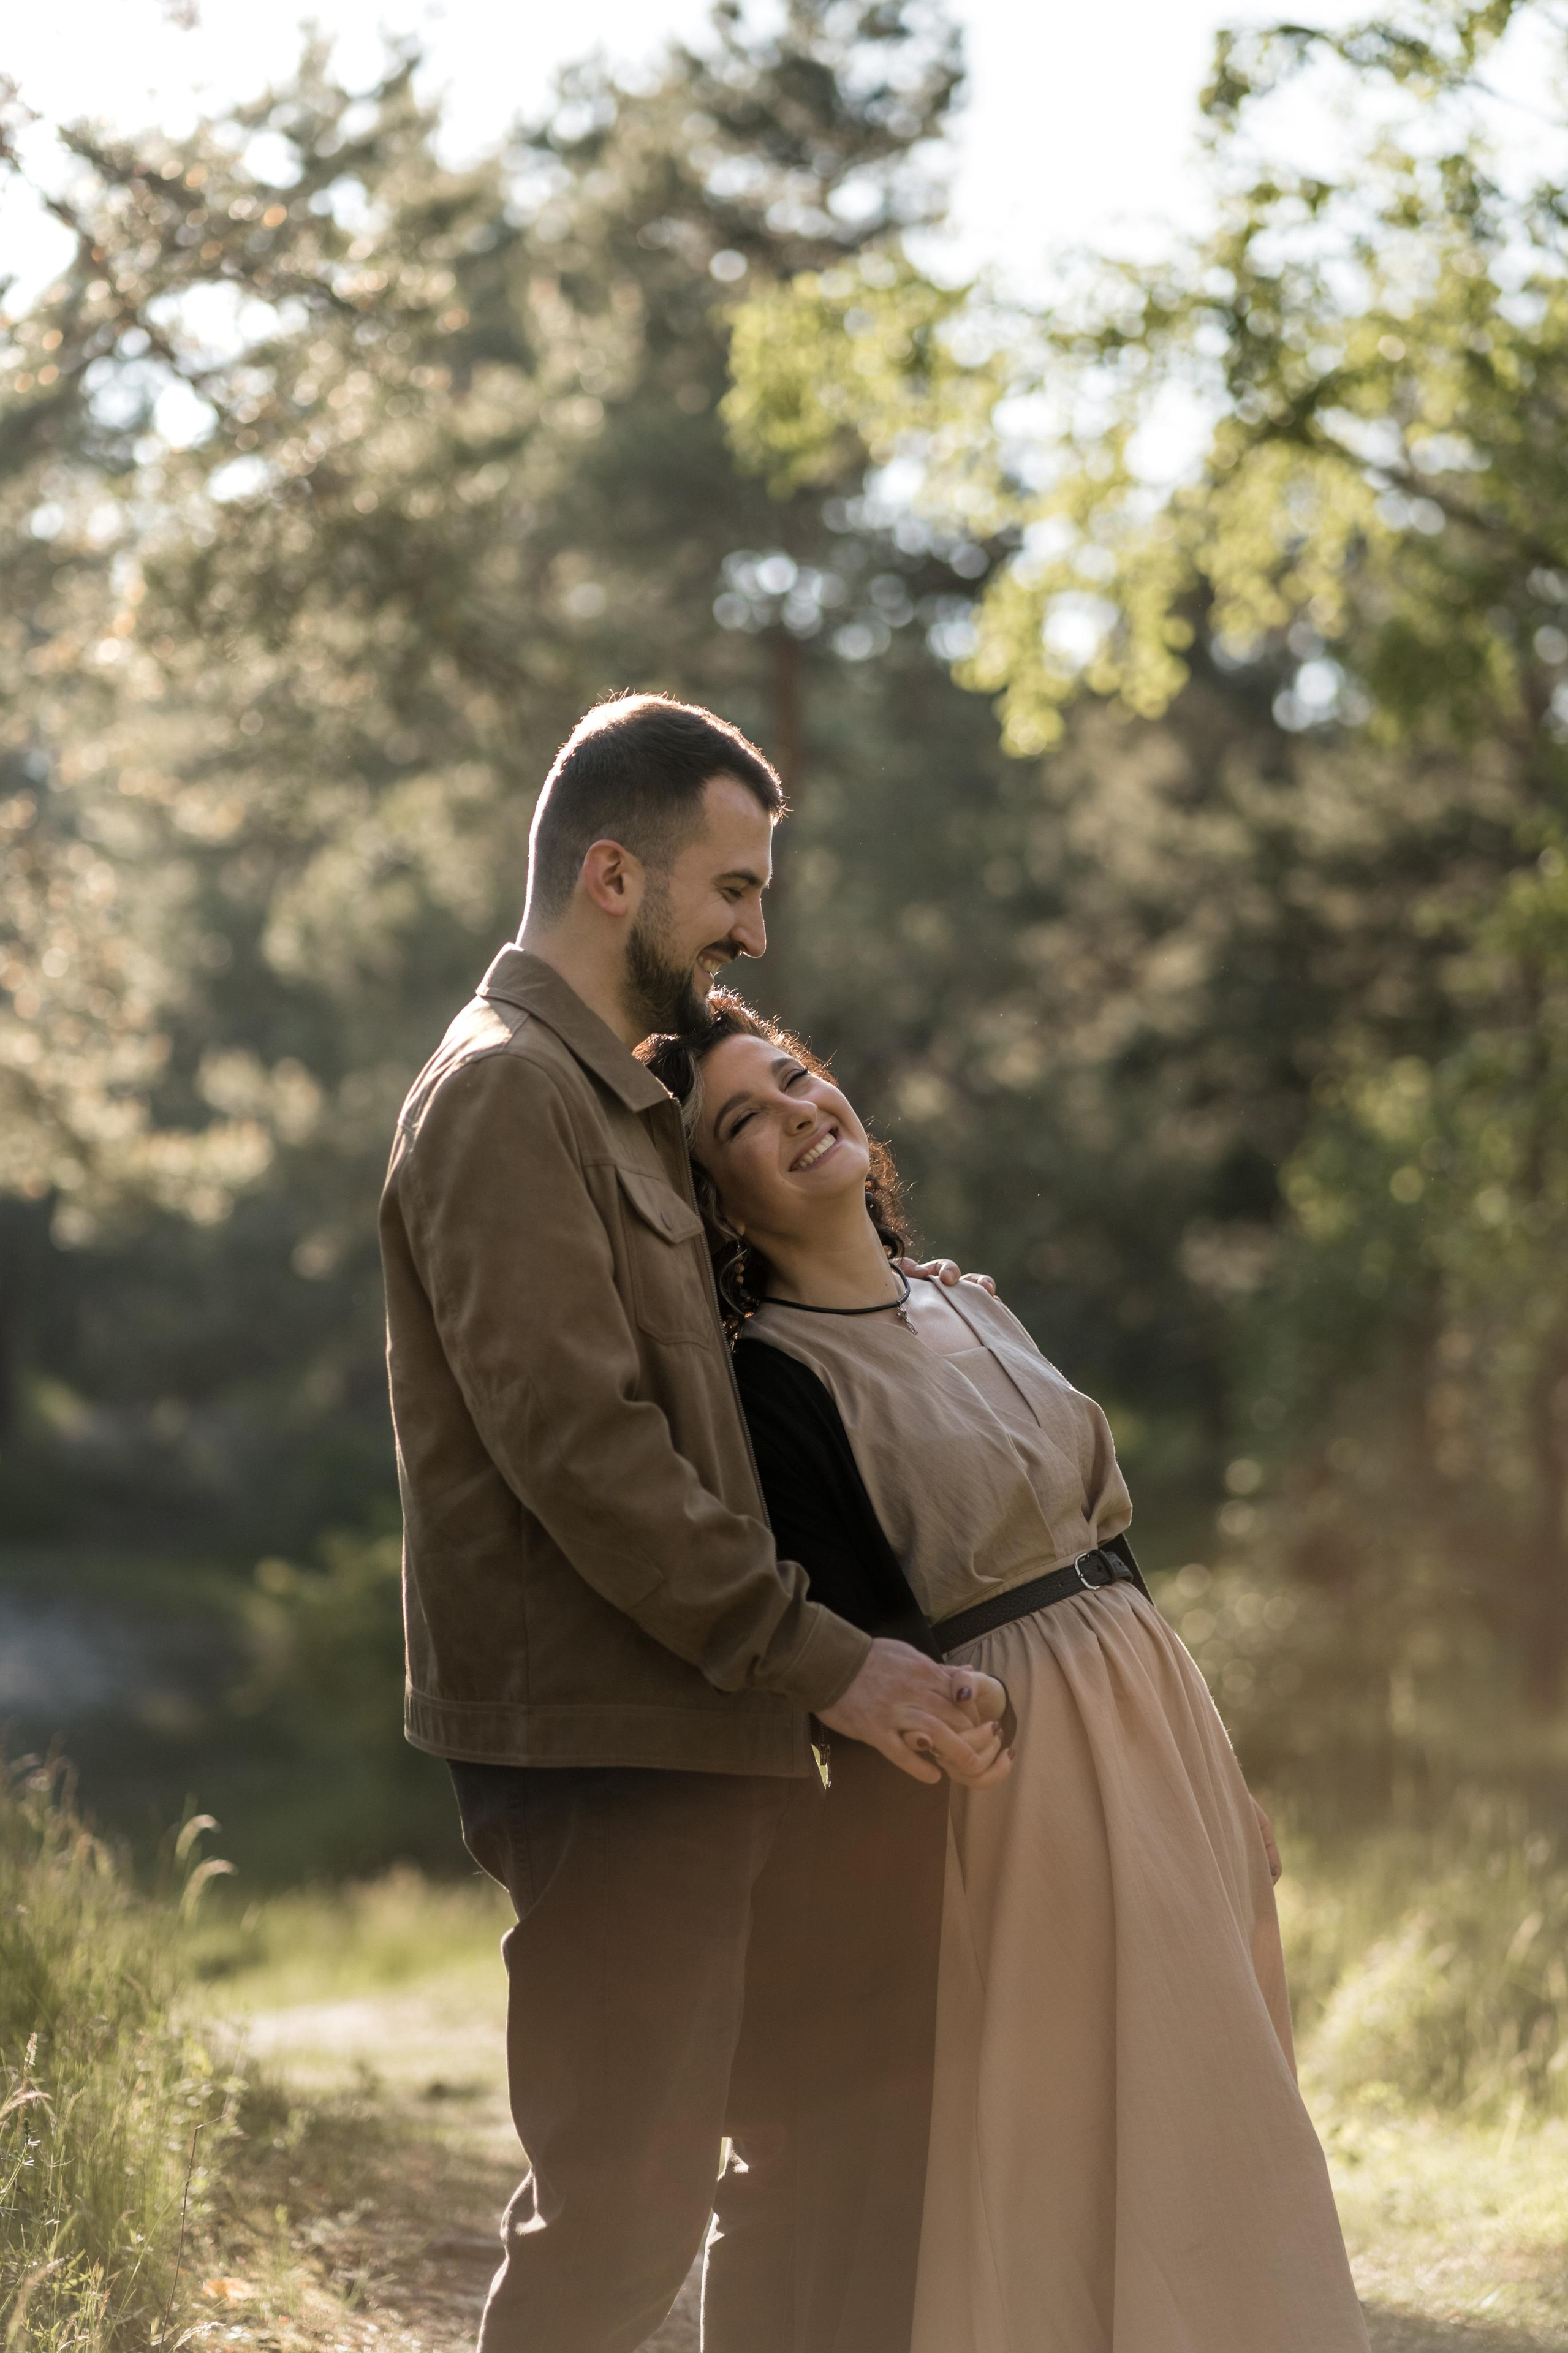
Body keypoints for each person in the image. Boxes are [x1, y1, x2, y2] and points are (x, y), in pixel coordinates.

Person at [377, 692, 1008, 2353]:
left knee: (714, 2172)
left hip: (687, 1721)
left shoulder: (614, 1106)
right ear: (613, 875)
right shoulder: (508, 1094)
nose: (753, 924)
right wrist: (818, 1661)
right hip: (608, 1733)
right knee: (623, 2206)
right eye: (731, 886)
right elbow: (582, 1448)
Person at [643, 991, 1374, 2353]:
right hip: (1017, 1788)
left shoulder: (967, 1302)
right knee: (1085, 2145)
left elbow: (1110, 1555)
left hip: (1160, 1738)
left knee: (1221, 2106)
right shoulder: (770, 1379)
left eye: (795, 1075)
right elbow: (852, 1641)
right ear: (716, 1202)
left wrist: (1224, 1794)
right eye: (741, 1117)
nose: (797, 1108)